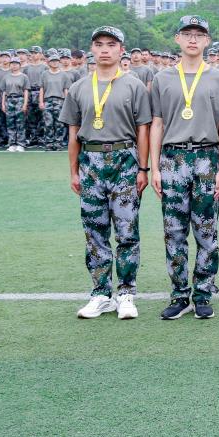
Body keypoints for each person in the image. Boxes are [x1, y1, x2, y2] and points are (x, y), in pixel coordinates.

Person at [60, 26, 152, 320]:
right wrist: (74, 171)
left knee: (127, 231)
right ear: (92, 49)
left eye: (111, 44)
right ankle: (101, 293)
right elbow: (73, 133)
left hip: (124, 160)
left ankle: (126, 293)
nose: (104, 49)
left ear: (121, 50)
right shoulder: (79, 87)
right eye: (99, 44)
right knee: (94, 231)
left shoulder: (134, 86)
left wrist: (143, 168)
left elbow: (143, 130)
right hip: (90, 161)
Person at [150, 15, 219, 320]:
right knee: (173, 231)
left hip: (207, 157)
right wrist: (154, 167)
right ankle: (179, 294)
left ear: (207, 41)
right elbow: (157, 124)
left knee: (206, 230)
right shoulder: (162, 79)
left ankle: (203, 293)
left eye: (199, 35)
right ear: (178, 39)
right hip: (172, 159)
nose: (193, 40)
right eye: (187, 34)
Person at [40, 50, 72, 151]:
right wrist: (41, 102)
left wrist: (67, 103)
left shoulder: (64, 75)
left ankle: (58, 143)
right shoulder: (44, 74)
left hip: (60, 101)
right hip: (48, 100)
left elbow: (65, 90)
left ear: (59, 62)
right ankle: (49, 143)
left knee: (59, 124)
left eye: (56, 61)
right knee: (48, 123)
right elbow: (42, 89)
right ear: (49, 62)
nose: (54, 63)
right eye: (52, 61)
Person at [0, 58, 30, 152]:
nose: (14, 65)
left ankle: (21, 144)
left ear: (19, 65)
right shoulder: (6, 77)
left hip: (20, 99)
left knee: (20, 123)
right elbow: (4, 91)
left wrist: (25, 104)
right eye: (12, 64)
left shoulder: (24, 77)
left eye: (16, 64)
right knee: (10, 123)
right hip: (9, 100)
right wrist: (3, 104)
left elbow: (26, 91)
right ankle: (12, 144)